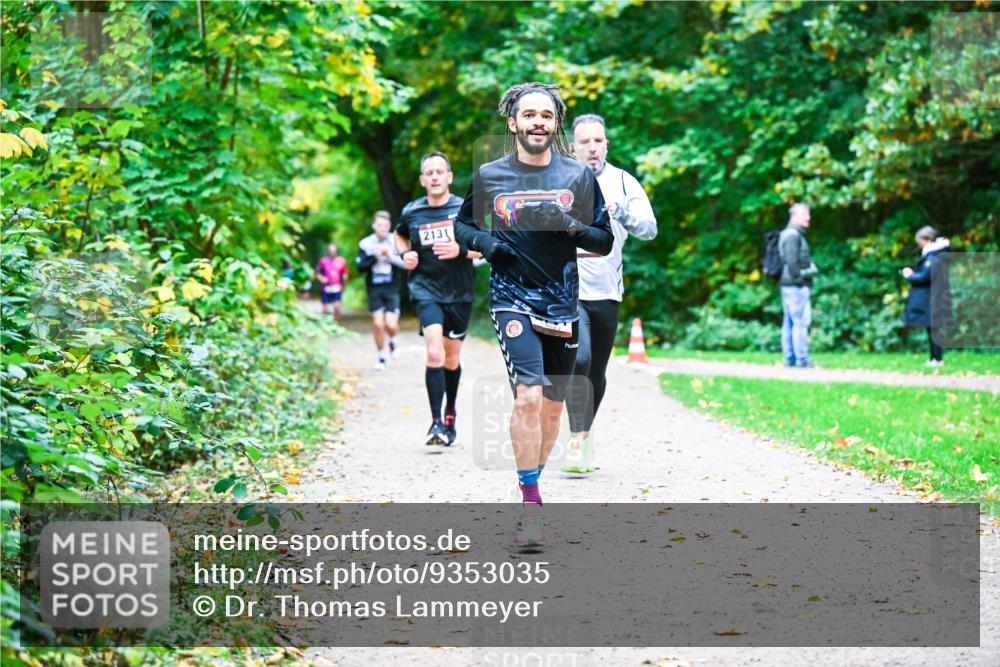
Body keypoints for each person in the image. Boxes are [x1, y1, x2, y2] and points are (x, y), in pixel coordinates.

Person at [454, 82, 613, 546]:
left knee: (551, 409)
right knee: (526, 396)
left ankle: (533, 477)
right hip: (511, 297)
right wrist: (488, 245)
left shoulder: (577, 177)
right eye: (530, 115)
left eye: (546, 115)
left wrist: (575, 227)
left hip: (562, 301)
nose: (538, 122)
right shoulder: (490, 176)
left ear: (555, 123)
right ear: (514, 123)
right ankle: (530, 503)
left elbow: (602, 240)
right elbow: (464, 225)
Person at [563, 114, 657, 475]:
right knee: (580, 358)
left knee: (596, 370)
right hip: (567, 289)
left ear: (606, 144)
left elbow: (650, 229)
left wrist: (624, 215)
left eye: (598, 141)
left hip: (606, 291)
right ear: (573, 146)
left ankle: (583, 435)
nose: (591, 147)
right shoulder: (559, 180)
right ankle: (574, 438)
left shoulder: (622, 181)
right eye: (584, 141)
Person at [396, 151, 482, 446]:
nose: (434, 177)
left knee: (451, 358)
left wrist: (461, 251)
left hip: (459, 292)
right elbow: (400, 237)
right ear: (422, 180)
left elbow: (485, 248)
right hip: (425, 289)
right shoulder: (412, 212)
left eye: (439, 172)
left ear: (449, 177)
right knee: (434, 353)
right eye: (428, 173)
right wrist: (404, 254)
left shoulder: (464, 209)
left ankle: (450, 412)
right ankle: (434, 423)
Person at [356, 211, 407, 370]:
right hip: (374, 288)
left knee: (390, 325)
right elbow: (359, 267)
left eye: (385, 225)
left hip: (392, 287)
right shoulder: (365, 244)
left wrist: (389, 255)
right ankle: (381, 357)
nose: (382, 228)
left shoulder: (396, 241)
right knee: (378, 324)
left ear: (389, 226)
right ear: (374, 226)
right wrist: (374, 257)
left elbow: (407, 263)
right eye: (379, 225)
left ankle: (392, 339)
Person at [903, 226, 951, 367]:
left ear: (927, 239)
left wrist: (909, 275)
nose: (919, 244)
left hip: (932, 298)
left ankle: (937, 359)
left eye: (920, 240)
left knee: (934, 329)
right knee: (932, 328)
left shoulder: (933, 256)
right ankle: (934, 358)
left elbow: (925, 276)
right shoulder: (935, 255)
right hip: (933, 296)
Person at [779, 203, 818, 368]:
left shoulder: (791, 234)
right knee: (800, 322)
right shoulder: (792, 235)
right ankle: (802, 359)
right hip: (795, 286)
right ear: (795, 216)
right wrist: (802, 278)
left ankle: (791, 359)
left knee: (789, 322)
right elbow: (792, 262)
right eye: (805, 214)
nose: (808, 218)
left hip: (789, 285)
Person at [316, 243, 348, 321]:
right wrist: (322, 279)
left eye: (333, 251)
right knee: (325, 309)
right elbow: (317, 274)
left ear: (336, 251)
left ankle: (336, 324)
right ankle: (326, 325)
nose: (332, 252)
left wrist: (344, 279)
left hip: (337, 287)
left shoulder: (341, 260)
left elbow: (345, 273)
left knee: (337, 307)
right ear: (328, 251)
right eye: (330, 251)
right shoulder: (322, 261)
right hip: (326, 287)